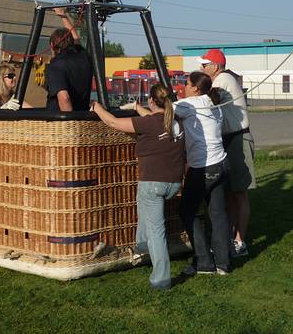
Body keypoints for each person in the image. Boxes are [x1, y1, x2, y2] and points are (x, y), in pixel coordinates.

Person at [92, 84, 185, 290]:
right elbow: (152, 120)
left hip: (153, 183)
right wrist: (136, 106)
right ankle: (142, 246)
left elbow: (113, 122)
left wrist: (96, 107)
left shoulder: (150, 124)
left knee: (156, 231)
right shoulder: (175, 122)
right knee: (143, 204)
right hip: (174, 182)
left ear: (152, 101)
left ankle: (161, 279)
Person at [198, 48, 256, 257]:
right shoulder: (221, 79)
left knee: (240, 193)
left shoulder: (222, 79)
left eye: (204, 65)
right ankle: (229, 238)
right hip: (228, 138)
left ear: (214, 66)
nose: (201, 68)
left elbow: (206, 103)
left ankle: (239, 242)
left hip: (237, 138)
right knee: (230, 193)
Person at [173, 71, 230, 276]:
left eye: (186, 84)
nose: (183, 88)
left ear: (196, 88)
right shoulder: (213, 104)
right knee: (218, 214)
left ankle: (205, 262)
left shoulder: (191, 104)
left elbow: (163, 112)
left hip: (202, 168)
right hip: (222, 165)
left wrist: (136, 108)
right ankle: (223, 263)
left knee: (188, 211)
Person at [46, 9, 92, 111]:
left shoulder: (57, 65)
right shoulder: (83, 57)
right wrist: (63, 16)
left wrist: (69, 122)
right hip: (82, 115)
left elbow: (64, 98)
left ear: (52, 45)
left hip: (60, 123)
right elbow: (76, 39)